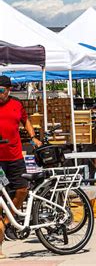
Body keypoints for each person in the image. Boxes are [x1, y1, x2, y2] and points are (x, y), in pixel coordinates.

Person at [0, 76, 42, 254]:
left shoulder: (17, 104)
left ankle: (7, 222)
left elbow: (25, 120)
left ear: (9, 90)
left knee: (22, 190)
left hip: (15, 157)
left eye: (1, 90)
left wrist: (33, 137)